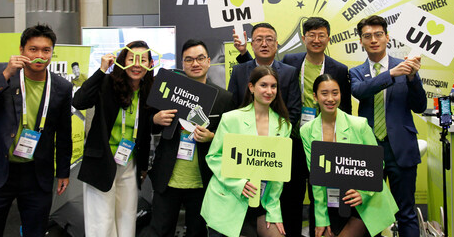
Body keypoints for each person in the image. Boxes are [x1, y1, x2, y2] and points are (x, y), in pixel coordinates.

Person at [234, 17, 350, 236]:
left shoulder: (340, 69)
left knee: (322, 196)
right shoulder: (292, 61)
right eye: (311, 35)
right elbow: (261, 72)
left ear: (328, 38)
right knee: (292, 197)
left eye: (321, 35)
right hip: (293, 142)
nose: (316, 39)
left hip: (325, 142)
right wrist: (243, 54)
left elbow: (345, 108)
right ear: (304, 38)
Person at [0, 24, 72, 237]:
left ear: (52, 52)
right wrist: (5, 74)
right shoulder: (4, 78)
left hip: (37, 173)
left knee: (35, 232)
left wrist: (62, 171)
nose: (40, 55)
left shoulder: (61, 87)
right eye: (33, 49)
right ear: (21, 50)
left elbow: (63, 133)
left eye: (46, 50)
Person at [146, 39, 235, 237]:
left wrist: (212, 137)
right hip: (167, 179)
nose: (195, 63)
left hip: (203, 181)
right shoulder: (167, 90)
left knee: (198, 233)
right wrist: (155, 119)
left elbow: (232, 139)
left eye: (200, 58)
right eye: (189, 59)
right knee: (159, 231)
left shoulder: (224, 98)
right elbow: (145, 125)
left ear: (209, 61)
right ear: (182, 63)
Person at [349, 15, 427, 237]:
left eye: (378, 34)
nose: (373, 40)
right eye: (367, 36)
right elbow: (360, 91)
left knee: (406, 212)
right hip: (368, 149)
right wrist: (390, 74)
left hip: (401, 148)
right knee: (369, 212)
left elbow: (420, 106)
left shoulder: (406, 68)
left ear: (387, 37)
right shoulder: (356, 72)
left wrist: (412, 78)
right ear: (361, 41)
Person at [72, 41, 154, 237]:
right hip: (102, 161)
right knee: (102, 222)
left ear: (150, 64)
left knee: (127, 218)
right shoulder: (108, 83)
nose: (137, 65)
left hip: (129, 163)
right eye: (131, 59)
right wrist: (101, 71)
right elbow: (79, 101)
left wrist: (143, 167)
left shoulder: (148, 91)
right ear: (122, 61)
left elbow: (144, 133)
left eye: (142, 60)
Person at [300, 74, 398, 237]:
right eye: (324, 93)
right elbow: (316, 178)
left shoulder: (359, 125)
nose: (330, 99)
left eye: (335, 93)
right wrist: (321, 218)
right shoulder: (307, 131)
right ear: (315, 97)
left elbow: (377, 165)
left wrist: (363, 193)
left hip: (365, 201)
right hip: (332, 202)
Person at [201, 66, 292, 237]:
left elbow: (278, 175)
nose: (269, 91)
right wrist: (239, 184)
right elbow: (214, 156)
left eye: (273, 86)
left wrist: (274, 212)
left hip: (261, 201)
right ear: (251, 87)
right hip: (229, 197)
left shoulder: (283, 126)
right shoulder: (231, 119)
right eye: (263, 85)